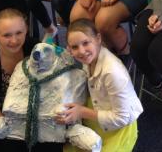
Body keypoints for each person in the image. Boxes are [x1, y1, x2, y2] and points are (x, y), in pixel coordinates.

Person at [0, 9, 61, 152]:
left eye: (19, 33)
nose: (14, 40)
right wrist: (6, 126)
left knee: (51, 143)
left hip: (27, 101)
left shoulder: (35, 48)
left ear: (26, 30)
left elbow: (48, 79)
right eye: (7, 35)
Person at [57, 19, 143, 152]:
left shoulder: (113, 73)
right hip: (99, 104)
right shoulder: (90, 58)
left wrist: (82, 112)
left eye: (86, 43)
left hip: (118, 123)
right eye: (74, 47)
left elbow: (122, 117)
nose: (81, 51)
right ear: (69, 49)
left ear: (98, 38)